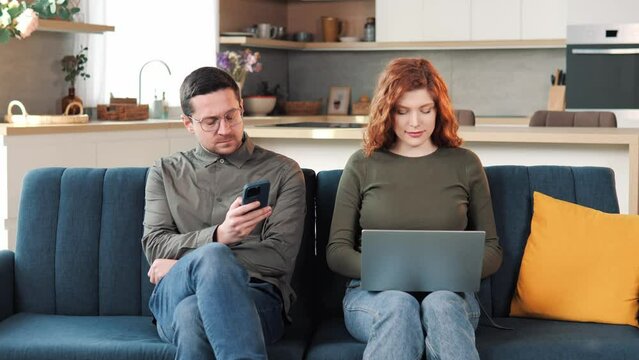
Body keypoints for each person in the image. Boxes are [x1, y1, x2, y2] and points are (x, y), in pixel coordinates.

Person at [326, 58, 503, 360]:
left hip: (452, 297)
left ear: (439, 110)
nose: (415, 123)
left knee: (440, 304)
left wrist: (450, 275)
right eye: (402, 111)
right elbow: (337, 251)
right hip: (372, 297)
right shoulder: (363, 163)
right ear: (387, 111)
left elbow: (492, 249)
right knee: (399, 305)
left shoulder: (465, 164)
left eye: (425, 110)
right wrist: (392, 275)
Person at [142, 66, 306, 360]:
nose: (225, 129)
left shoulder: (283, 171)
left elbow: (280, 258)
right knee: (212, 255)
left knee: (193, 313)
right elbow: (154, 246)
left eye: (231, 116)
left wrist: (181, 264)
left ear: (242, 108)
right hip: (174, 295)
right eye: (210, 121)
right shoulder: (165, 172)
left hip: (257, 297)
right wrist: (219, 236)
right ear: (187, 123)